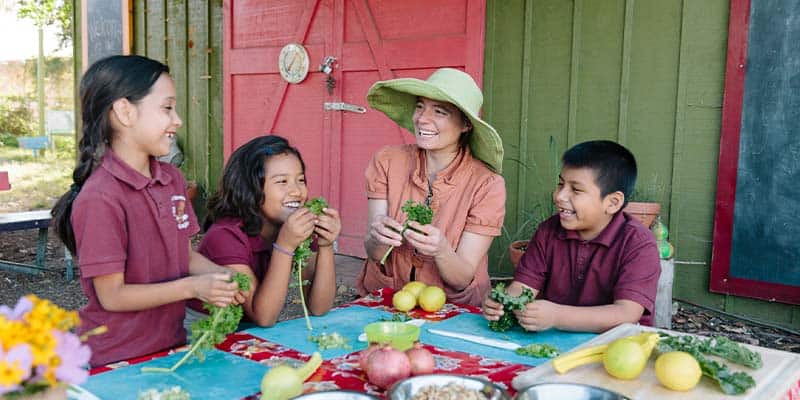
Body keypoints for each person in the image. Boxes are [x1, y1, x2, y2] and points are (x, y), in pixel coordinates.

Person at [51, 55, 242, 367]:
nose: (177, 120)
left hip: (170, 345)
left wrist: (222, 276)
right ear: (124, 111)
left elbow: (183, 254)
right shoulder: (100, 197)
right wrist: (194, 287)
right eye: (167, 108)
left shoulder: (172, 179)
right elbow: (113, 295)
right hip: (117, 358)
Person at [359, 68, 506, 306]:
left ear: (466, 124)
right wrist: (378, 238)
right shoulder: (387, 161)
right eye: (420, 106)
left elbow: (462, 277)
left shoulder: (487, 185)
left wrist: (442, 250)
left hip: (456, 311)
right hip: (387, 302)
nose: (422, 119)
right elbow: (374, 252)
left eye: (439, 111)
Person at [482, 140, 661, 332]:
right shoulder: (549, 231)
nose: (560, 196)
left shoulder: (638, 244)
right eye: (561, 184)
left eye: (575, 190)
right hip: (555, 340)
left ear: (613, 202)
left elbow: (626, 314)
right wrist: (502, 302)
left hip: (619, 348)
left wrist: (557, 316)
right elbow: (523, 288)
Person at [192, 135, 340, 327]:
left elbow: (319, 307)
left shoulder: (295, 227)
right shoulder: (225, 236)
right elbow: (264, 316)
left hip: (250, 329)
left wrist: (326, 245)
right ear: (250, 188)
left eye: (300, 180)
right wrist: (285, 246)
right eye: (282, 182)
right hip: (204, 328)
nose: (296, 191)